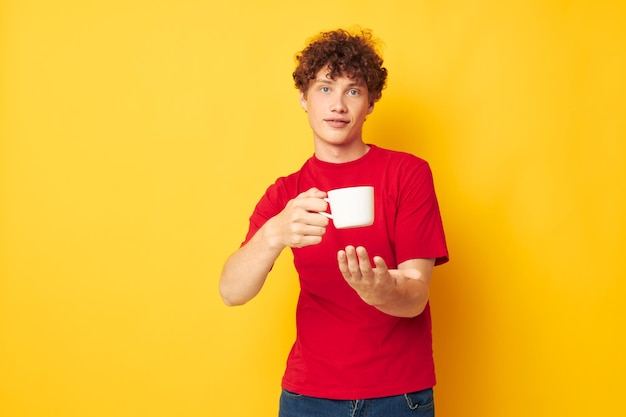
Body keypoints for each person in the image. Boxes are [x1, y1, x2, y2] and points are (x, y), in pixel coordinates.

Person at [219, 28, 448, 417]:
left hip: (398, 396)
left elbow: (416, 297)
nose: (338, 104)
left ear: (371, 102)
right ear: (304, 99)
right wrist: (273, 234)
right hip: (308, 398)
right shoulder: (286, 194)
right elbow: (231, 291)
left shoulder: (408, 174)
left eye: (353, 91)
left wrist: (381, 292)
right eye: (325, 88)